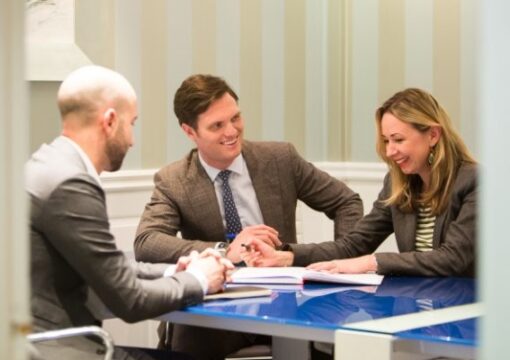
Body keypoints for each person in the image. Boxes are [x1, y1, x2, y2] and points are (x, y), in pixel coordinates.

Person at [133, 74, 364, 359]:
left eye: (236, 118)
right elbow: (147, 241)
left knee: (331, 337)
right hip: (218, 305)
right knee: (190, 336)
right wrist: (223, 252)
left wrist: (343, 263)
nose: (232, 131)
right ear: (190, 132)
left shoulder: (280, 159)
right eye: (217, 125)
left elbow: (347, 202)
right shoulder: (175, 180)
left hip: (287, 300)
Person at [25, 65, 233, 360]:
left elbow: (107, 264)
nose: (132, 140)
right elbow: (130, 301)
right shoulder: (70, 184)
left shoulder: (47, 164)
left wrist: (175, 270)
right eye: (131, 124)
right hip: (57, 350)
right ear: (110, 121)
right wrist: (199, 279)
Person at [244, 87, 477, 278]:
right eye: (386, 141)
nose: (390, 151)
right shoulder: (397, 184)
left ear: (433, 135)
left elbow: (452, 259)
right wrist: (286, 257)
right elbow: (354, 244)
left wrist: (370, 262)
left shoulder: (474, 182)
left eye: (398, 140)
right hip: (417, 303)